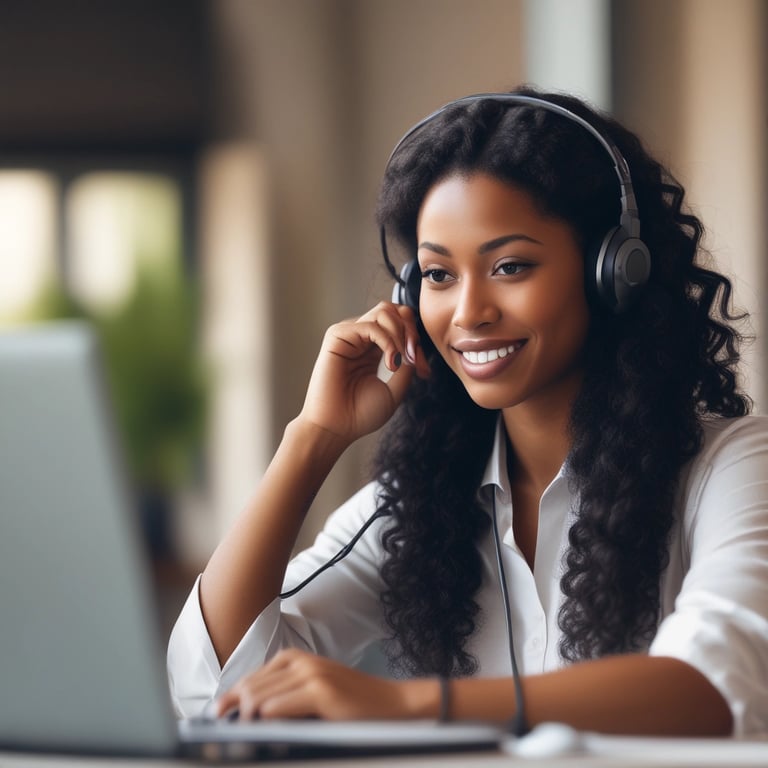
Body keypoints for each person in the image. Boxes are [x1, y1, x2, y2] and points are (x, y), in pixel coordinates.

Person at [167, 87, 768, 737]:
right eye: (438, 275)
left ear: (613, 272)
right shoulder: (425, 504)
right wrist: (313, 438)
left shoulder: (731, 468)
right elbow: (213, 686)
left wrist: (413, 705)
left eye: (510, 266)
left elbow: (713, 685)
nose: (468, 313)